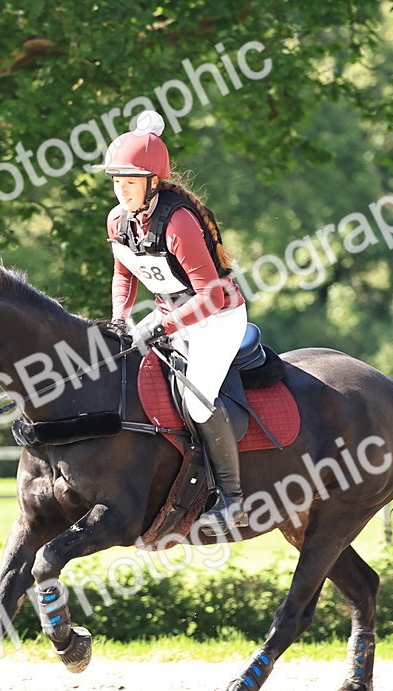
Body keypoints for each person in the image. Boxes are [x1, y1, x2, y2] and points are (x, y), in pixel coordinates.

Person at [89, 111, 249, 532]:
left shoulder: (178, 222)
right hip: (169, 313)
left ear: (153, 182)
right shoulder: (118, 220)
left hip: (217, 317)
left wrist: (162, 327)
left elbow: (211, 296)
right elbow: (124, 275)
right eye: (116, 181)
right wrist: (120, 319)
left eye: (130, 181)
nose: (121, 190)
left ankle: (232, 499)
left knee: (196, 399)